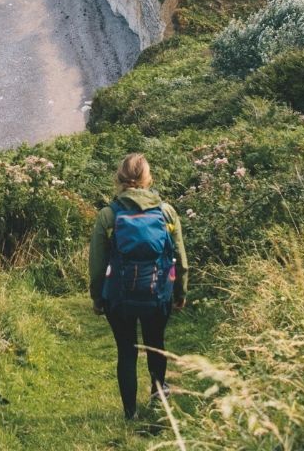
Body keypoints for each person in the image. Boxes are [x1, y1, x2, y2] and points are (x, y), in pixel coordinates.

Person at [89, 153, 189, 419]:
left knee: (126, 351)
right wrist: (180, 292)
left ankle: (130, 413)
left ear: (119, 178)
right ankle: (159, 399)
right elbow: (180, 259)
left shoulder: (108, 215)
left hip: (119, 297)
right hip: (158, 294)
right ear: (148, 177)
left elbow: (97, 266)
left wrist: (97, 299)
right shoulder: (166, 211)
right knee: (156, 343)